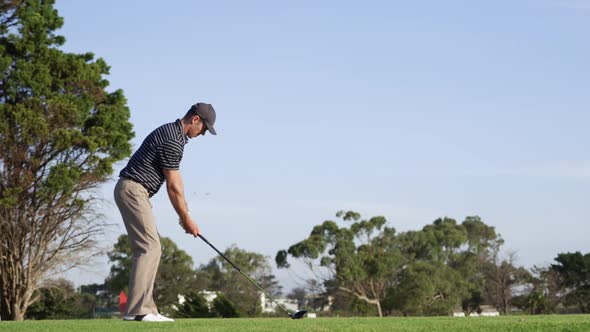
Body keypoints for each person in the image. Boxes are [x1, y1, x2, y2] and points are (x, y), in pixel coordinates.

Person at [113, 102, 217, 322]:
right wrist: (186, 219)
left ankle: (140, 310)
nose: (203, 133)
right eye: (204, 128)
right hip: (134, 189)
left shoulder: (174, 134)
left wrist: (185, 215)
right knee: (150, 247)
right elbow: (173, 187)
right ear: (195, 119)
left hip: (133, 190)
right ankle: (140, 311)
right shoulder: (173, 139)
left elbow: (177, 182)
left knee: (150, 247)